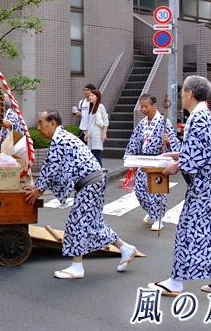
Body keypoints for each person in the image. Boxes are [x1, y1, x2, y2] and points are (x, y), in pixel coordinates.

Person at [148, 75, 211, 296]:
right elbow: (204, 152)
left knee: (187, 230)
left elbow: (196, 158)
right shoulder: (206, 115)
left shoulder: (197, 118)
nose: (181, 95)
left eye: (182, 91)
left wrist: (174, 166)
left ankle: (176, 281)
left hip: (203, 187)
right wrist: (177, 155)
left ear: (190, 94)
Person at [24, 110, 137, 279]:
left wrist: (39, 189)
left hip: (90, 184)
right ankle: (125, 249)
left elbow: (51, 166)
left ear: (52, 123)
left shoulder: (60, 139)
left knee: (76, 223)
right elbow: (53, 167)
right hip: (94, 182)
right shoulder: (62, 138)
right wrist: (40, 187)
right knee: (94, 223)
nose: (39, 127)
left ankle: (77, 266)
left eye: (41, 123)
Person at [124, 94, 180, 231]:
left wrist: (169, 141)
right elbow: (134, 141)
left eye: (146, 106)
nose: (143, 109)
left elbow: (177, 145)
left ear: (154, 106)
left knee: (156, 192)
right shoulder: (142, 124)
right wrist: (129, 157)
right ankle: (151, 211)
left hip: (158, 161)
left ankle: (158, 218)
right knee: (140, 191)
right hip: (144, 161)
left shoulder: (164, 123)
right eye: (141, 106)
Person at [84, 89, 108, 167]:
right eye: (90, 95)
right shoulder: (91, 108)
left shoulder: (100, 106)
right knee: (91, 154)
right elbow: (89, 122)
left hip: (97, 133)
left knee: (96, 153)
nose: (90, 97)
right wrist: (86, 133)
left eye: (92, 95)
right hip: (91, 133)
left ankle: (99, 171)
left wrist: (104, 133)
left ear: (97, 97)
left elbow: (105, 120)